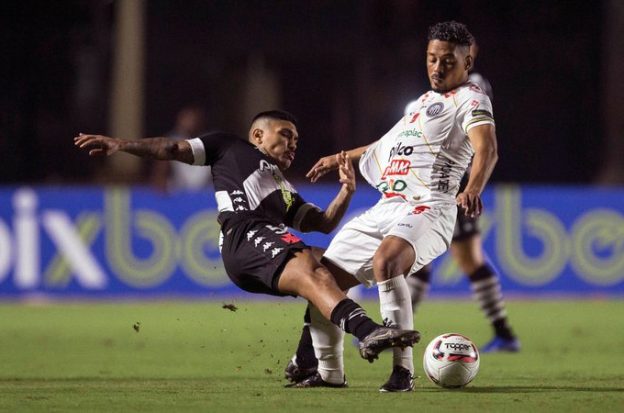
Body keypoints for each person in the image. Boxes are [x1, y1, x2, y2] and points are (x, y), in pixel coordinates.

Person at [74, 110, 420, 380]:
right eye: (285, 134)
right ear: (258, 135)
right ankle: (368, 331)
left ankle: (304, 360)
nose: (293, 142)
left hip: (266, 239)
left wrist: (346, 192)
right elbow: (173, 148)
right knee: (313, 272)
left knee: (332, 268)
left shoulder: (282, 186)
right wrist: (121, 144)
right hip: (245, 234)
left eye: (296, 138)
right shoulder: (229, 147)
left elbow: (323, 223)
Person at [284, 21, 499, 392]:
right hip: (389, 206)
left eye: (448, 60)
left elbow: (487, 149)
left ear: (468, 61)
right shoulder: (424, 104)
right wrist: (340, 158)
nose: (437, 67)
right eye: (432, 58)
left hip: (430, 207)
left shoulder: (472, 98)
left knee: (387, 261)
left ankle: (403, 371)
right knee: (322, 280)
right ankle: (328, 372)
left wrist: (473, 187)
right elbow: (385, 144)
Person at [404, 42, 520, 353]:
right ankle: (505, 333)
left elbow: (477, 136)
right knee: (457, 258)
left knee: (422, 255)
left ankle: (398, 329)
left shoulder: (474, 87)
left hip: (450, 186)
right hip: (438, 185)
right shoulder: (435, 93)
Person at [150, 106, 212, 192]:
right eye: (186, 119)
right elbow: (160, 174)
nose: (189, 123)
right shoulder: (171, 143)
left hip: (205, 193)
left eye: (192, 119)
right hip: (178, 192)